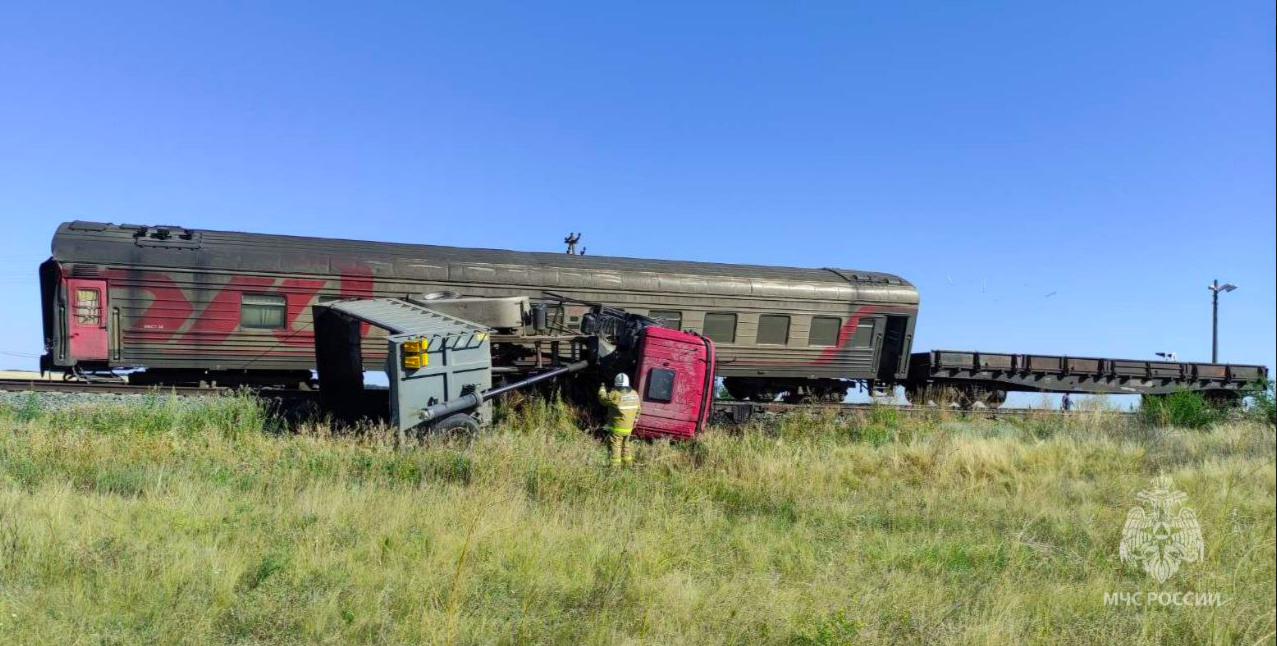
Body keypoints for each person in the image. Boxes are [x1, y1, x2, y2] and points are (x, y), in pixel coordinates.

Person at [598, 373, 641, 466]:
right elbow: (638, 409)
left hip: (617, 427)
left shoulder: (615, 394)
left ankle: (615, 468)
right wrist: (635, 420)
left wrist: (602, 388)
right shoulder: (634, 393)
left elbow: (603, 399)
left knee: (615, 446)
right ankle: (628, 464)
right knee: (626, 445)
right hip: (629, 428)